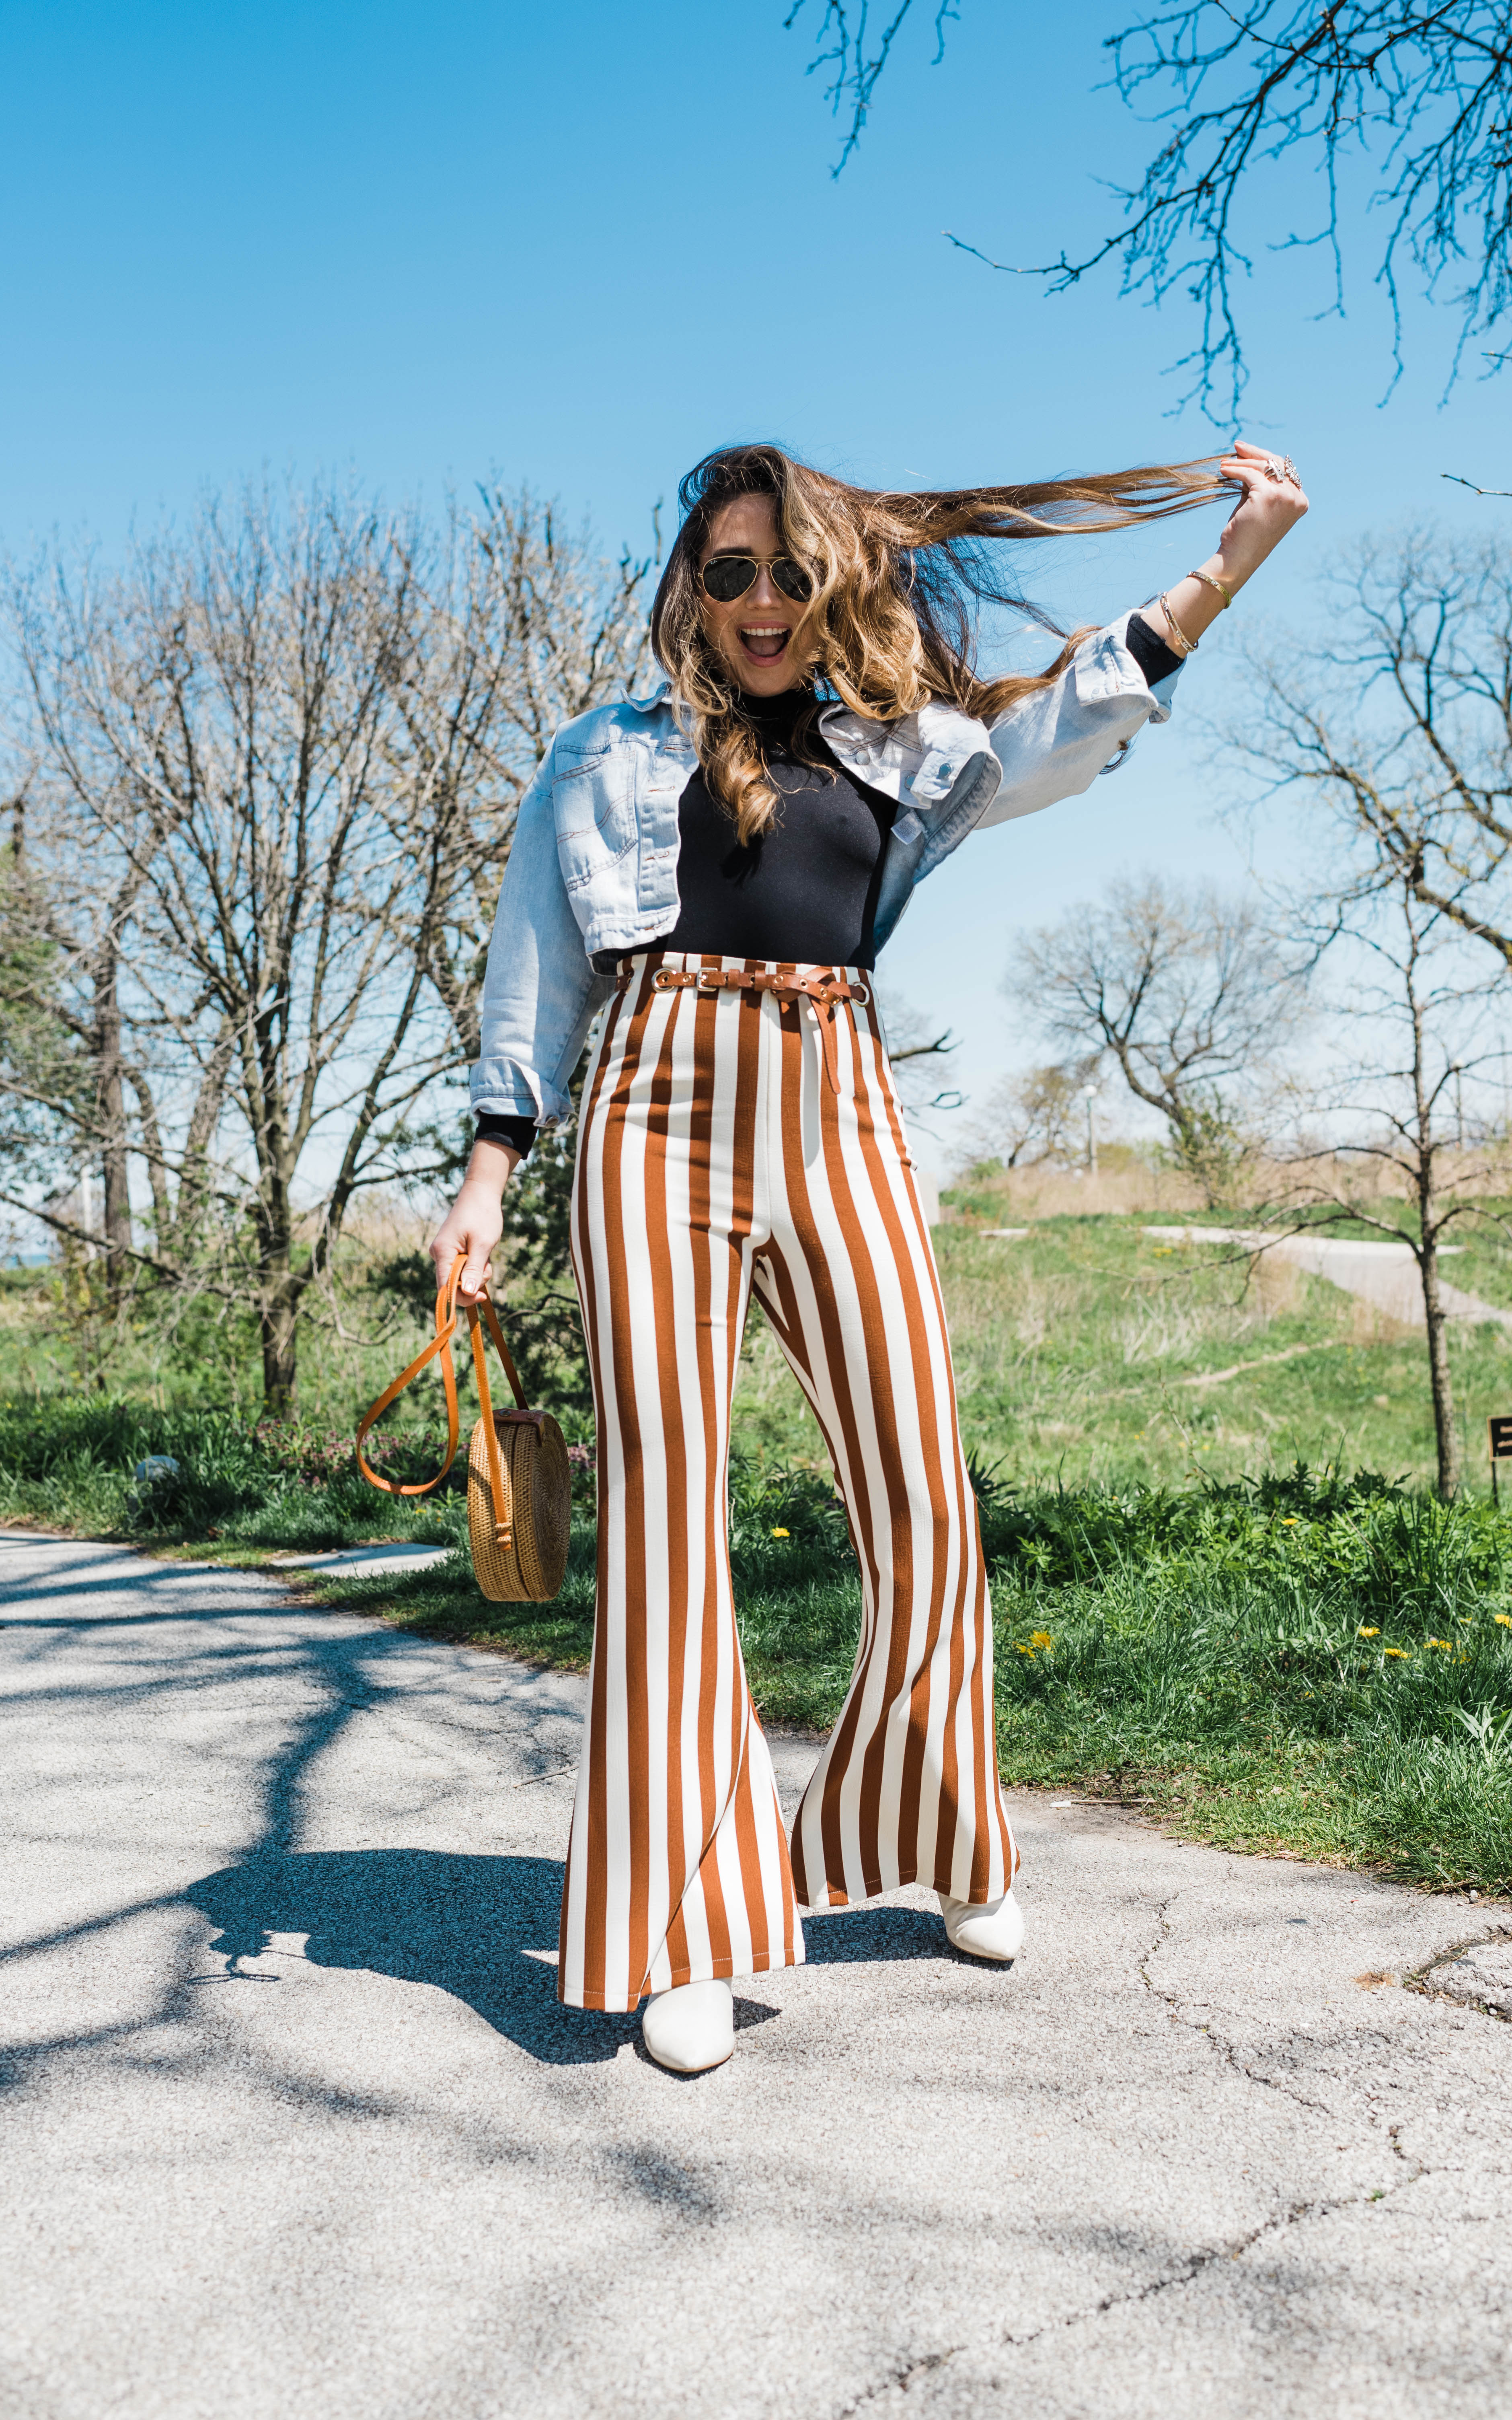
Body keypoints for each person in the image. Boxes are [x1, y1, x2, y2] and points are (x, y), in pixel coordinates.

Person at [431, 438, 1307, 2071]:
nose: (758, 602)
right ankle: (680, 1927)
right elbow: (529, 982)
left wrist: (1235, 553)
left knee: (922, 1491)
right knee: (670, 1522)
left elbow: (1075, 717)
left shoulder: (904, 747)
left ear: (832, 582)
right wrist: (487, 1177)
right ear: (686, 590)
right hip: (650, 1107)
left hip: (838, 1099)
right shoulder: (600, 755)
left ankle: (938, 1828)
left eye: (786, 571)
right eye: (727, 572)